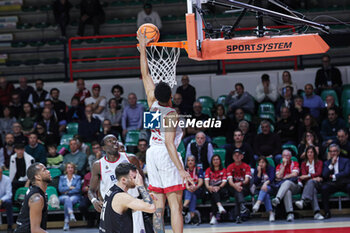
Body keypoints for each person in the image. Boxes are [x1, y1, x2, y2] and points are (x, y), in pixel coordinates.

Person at [138, 32, 193, 233]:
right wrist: (181, 169)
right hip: (165, 154)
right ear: (171, 95)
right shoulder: (171, 113)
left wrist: (143, 48)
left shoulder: (152, 103)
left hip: (151, 153)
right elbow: (170, 144)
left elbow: (145, 74)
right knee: (176, 205)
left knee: (158, 207)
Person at [88, 135, 150, 233]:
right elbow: (91, 190)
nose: (114, 142)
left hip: (132, 205)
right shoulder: (98, 165)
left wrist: (146, 198)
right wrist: (94, 200)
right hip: (112, 208)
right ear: (103, 148)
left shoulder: (131, 159)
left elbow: (141, 181)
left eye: (115, 140)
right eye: (110, 141)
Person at [99, 163, 156, 233]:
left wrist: (145, 198)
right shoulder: (122, 197)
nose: (137, 180)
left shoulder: (111, 190)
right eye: (134, 178)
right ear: (123, 180)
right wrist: (141, 186)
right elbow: (151, 208)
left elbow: (130, 203)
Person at [15, 162, 52, 233]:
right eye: (44, 170)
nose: (48, 171)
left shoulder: (37, 192)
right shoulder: (37, 198)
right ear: (37, 177)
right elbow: (35, 230)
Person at [294, 146, 324, 220]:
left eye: (311, 152)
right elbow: (304, 175)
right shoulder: (303, 164)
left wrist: (309, 176)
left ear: (314, 153)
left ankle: (303, 200)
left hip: (318, 184)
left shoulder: (319, 162)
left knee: (311, 182)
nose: (310, 154)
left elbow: (319, 173)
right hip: (309, 185)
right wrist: (313, 177)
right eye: (308, 152)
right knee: (312, 190)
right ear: (306, 154)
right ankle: (317, 213)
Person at [321, 144, 350, 219]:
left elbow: (346, 172)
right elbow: (324, 175)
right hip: (332, 184)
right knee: (324, 188)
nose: (332, 153)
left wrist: (334, 176)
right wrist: (332, 164)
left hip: (344, 183)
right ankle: (327, 212)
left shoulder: (346, 160)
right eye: (331, 151)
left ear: (338, 152)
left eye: (334, 151)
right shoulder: (326, 163)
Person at [272, 149, 300, 222]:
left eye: (287, 156)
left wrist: (285, 177)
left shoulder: (295, 163)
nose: (286, 157)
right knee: (287, 191)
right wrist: (284, 166)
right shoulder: (279, 166)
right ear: (282, 157)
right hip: (285, 189)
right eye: (284, 156)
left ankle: (278, 198)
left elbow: (295, 174)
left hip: (295, 186)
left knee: (287, 182)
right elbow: (278, 176)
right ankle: (290, 214)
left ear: (290, 156)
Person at [227, 149, 251, 223]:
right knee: (237, 191)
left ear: (242, 156)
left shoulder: (246, 166)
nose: (237, 157)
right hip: (233, 188)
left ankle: (238, 216)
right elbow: (230, 182)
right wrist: (236, 186)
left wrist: (239, 184)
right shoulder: (230, 167)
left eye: (239, 155)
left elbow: (246, 180)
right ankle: (242, 206)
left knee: (238, 192)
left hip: (244, 187)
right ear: (233, 157)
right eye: (235, 155)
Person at [204, 155, 228, 225]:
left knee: (214, 193)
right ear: (212, 161)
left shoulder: (223, 170)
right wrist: (208, 187)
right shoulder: (208, 170)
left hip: (221, 189)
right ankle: (219, 207)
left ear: (220, 161)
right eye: (214, 159)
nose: (215, 161)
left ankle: (214, 217)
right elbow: (206, 181)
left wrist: (219, 187)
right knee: (213, 193)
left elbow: (224, 182)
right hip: (211, 189)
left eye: (217, 159)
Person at [58, 162, 81, 231]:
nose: (70, 169)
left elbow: (77, 189)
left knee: (68, 200)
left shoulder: (78, 177)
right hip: (63, 196)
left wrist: (66, 190)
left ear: (74, 169)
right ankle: (71, 214)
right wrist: (70, 188)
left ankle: (66, 222)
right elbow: (60, 189)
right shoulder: (62, 178)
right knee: (67, 198)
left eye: (72, 167)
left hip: (75, 196)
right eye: (68, 167)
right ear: (66, 169)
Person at [252, 156, 275, 222]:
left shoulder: (271, 168)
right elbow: (256, 182)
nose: (261, 164)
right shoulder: (257, 170)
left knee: (265, 188)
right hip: (261, 190)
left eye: (263, 162)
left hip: (271, 187)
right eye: (259, 162)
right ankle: (271, 213)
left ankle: (258, 203)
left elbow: (272, 178)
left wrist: (265, 183)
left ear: (266, 163)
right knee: (266, 195)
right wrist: (259, 172)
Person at [183, 155, 203, 225]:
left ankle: (184, 207)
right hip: (186, 189)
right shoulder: (184, 170)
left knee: (192, 192)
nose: (190, 162)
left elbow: (201, 181)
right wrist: (188, 187)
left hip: (197, 189)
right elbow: (183, 181)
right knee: (192, 195)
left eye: (192, 160)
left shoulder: (198, 169)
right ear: (187, 162)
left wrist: (196, 187)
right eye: (189, 160)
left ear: (195, 162)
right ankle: (192, 215)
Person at [0, 166, 14, 232]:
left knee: (9, 202)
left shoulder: (7, 179)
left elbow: (9, 194)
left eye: (0, 173)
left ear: (1, 173)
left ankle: (10, 226)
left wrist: (1, 200)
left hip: (3, 200)